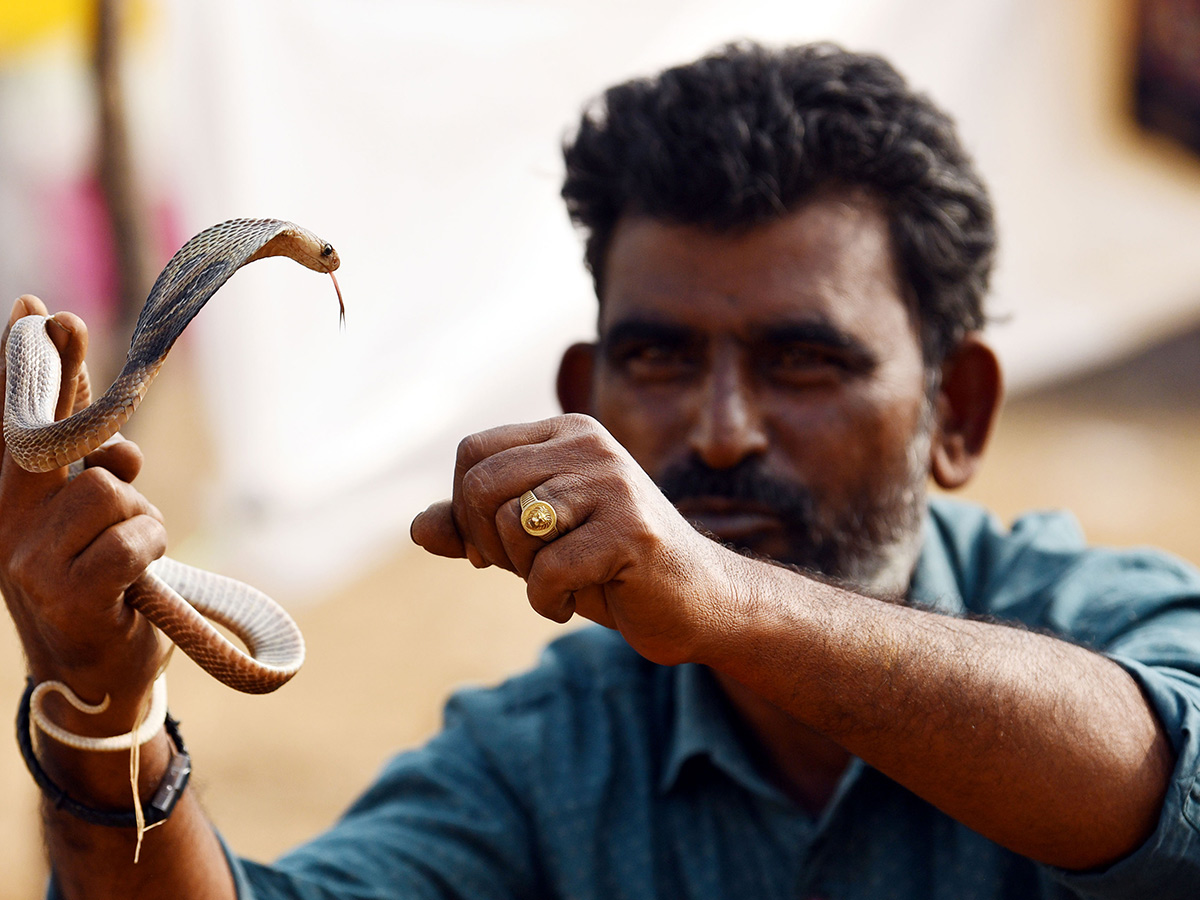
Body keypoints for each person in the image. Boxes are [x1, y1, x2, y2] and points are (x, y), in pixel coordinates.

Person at [2, 40, 1198, 900]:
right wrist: (107, 713)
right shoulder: (544, 759)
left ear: (960, 411)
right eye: (661, 359)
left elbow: (1167, 796)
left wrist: (733, 604)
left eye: (803, 362)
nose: (723, 430)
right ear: (586, 404)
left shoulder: (1095, 628)